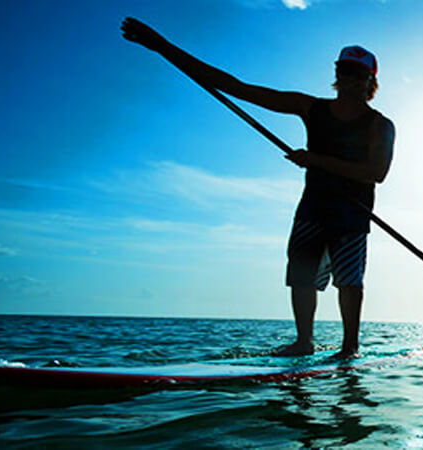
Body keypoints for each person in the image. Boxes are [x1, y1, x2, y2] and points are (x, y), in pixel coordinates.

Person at [122, 18, 395, 359]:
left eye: (357, 73)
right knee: (300, 275)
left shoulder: (380, 125)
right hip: (312, 209)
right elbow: (235, 86)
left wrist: (315, 160)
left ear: (370, 81)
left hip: (352, 214)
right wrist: (160, 45)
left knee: (349, 281)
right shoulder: (310, 107)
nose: (349, 78)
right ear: (336, 73)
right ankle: (303, 342)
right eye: (344, 70)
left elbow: (376, 173)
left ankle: (349, 347)